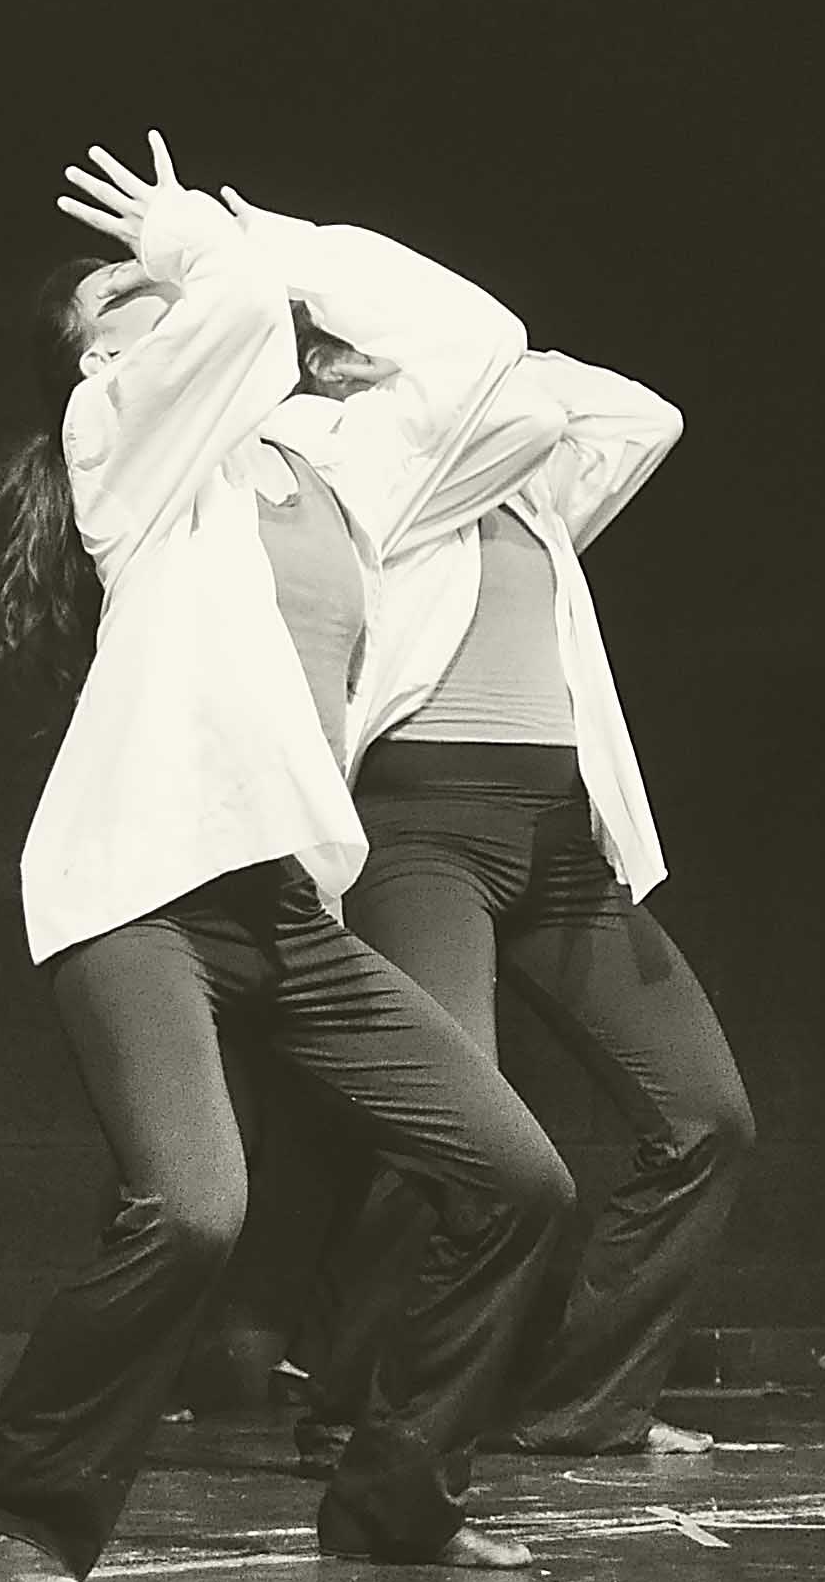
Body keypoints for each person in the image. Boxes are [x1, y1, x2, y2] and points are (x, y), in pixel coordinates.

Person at [0, 135, 580, 1582]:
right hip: (140, 892)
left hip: (289, 907)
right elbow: (220, 323)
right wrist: (197, 258)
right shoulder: (127, 453)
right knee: (193, 1210)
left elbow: (487, 356)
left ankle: (394, 1500)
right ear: (93, 362)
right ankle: (9, 1515)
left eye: (152, 283)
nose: (150, 298)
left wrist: (264, 235)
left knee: (518, 1181)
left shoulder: (337, 474)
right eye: (115, 300)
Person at [225, 194, 753, 1471]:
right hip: (421, 829)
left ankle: (583, 1405)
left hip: (560, 833)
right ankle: (363, 1408)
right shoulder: (341, 465)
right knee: (451, 1127)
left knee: (704, 1115)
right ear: (321, 362)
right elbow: (484, 373)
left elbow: (638, 415)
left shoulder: (517, 489)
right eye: (352, 338)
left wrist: (472, 360)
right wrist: (314, 280)